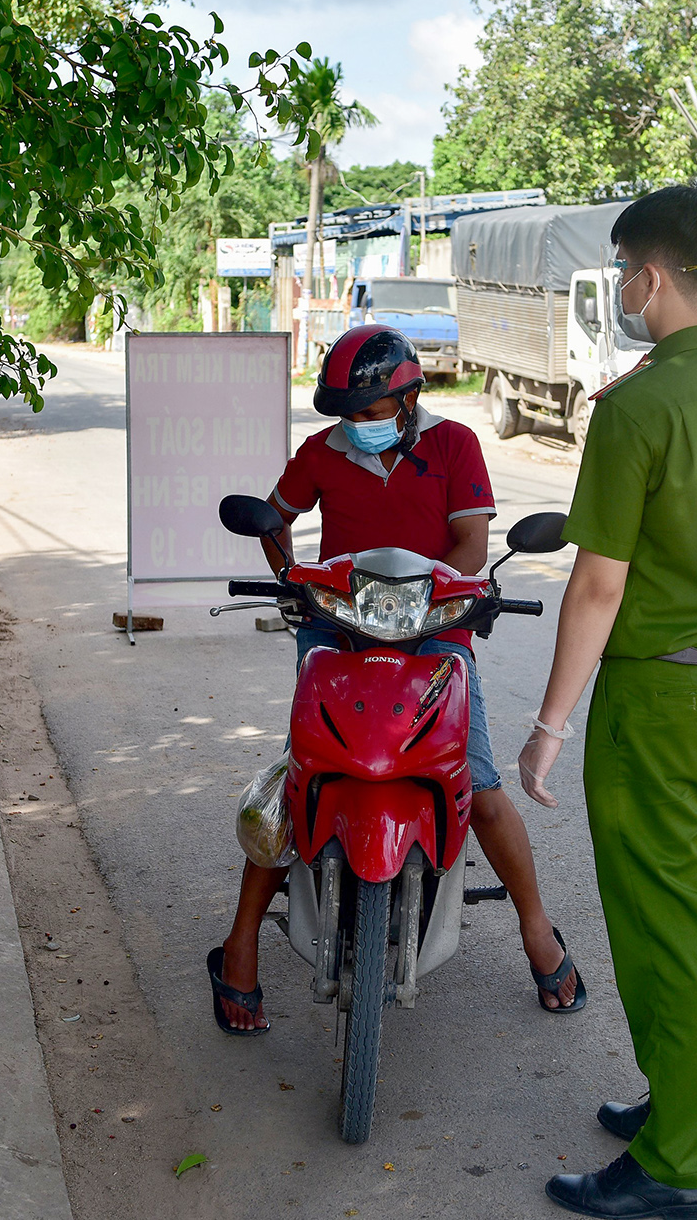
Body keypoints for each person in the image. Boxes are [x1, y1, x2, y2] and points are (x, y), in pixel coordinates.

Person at [520, 187, 697, 1219]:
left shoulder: (640, 406)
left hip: (658, 691)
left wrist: (550, 723)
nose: (625, 288)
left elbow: (598, 583)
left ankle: (676, 1164)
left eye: (626, 269)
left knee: (660, 916)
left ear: (653, 273)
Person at [208, 323, 584, 1033]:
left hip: (435, 629)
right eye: (348, 413)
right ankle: (242, 942)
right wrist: (290, 580)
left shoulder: (454, 444)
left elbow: (471, 539)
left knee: (479, 783)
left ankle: (536, 929)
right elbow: (275, 517)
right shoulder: (322, 452)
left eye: (372, 412)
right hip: (337, 627)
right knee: (297, 782)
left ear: (408, 401)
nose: (359, 425)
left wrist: (461, 593)